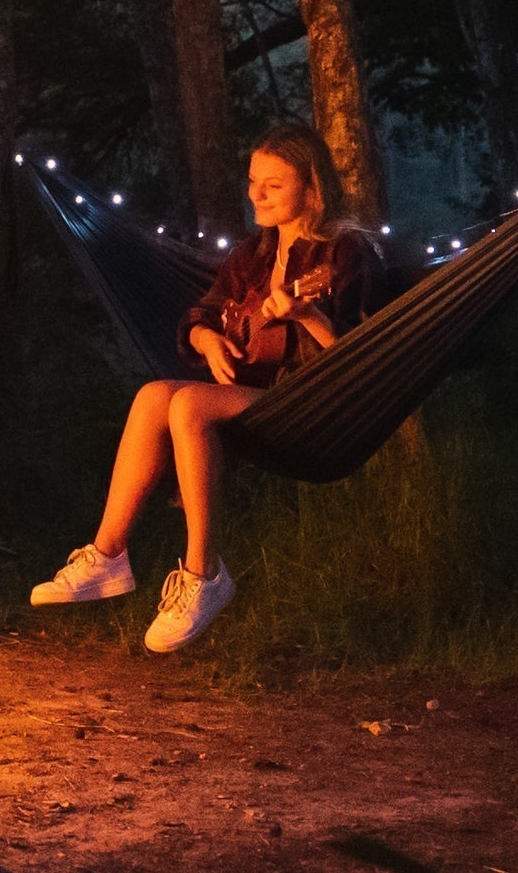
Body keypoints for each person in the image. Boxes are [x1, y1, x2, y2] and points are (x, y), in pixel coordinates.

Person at [35, 122, 380, 651]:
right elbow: (201, 312)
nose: (254, 194)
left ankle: (204, 575)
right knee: (154, 396)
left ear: (312, 188)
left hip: (316, 404)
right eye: (252, 180)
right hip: (259, 399)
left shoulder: (345, 253)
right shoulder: (253, 255)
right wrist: (207, 340)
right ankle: (108, 557)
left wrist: (308, 315)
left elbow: (359, 356)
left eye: (272, 185)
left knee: (191, 403)